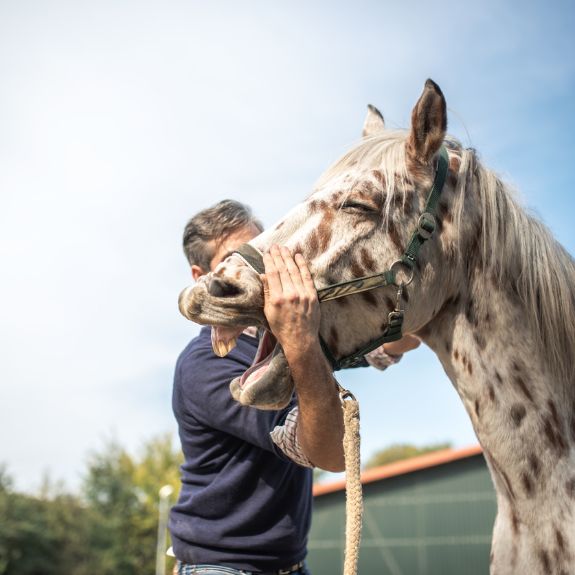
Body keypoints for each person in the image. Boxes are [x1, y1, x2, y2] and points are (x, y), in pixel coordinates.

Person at [169, 199, 420, 575]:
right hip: (221, 567)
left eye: (263, 254)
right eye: (234, 259)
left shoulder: (279, 339)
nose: (257, 270)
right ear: (199, 276)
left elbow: (400, 341)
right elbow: (330, 453)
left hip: (289, 566)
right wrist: (301, 339)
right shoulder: (204, 365)